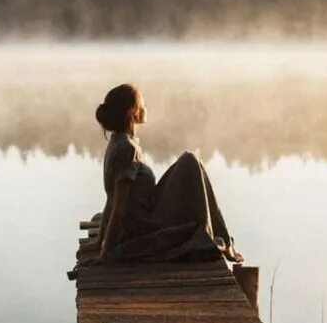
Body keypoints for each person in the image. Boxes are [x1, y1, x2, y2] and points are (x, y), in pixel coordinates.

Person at [81, 83, 243, 265]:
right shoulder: (126, 149)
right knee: (190, 161)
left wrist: (100, 241)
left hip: (143, 216)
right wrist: (105, 253)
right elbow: (117, 205)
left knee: (191, 163)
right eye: (143, 103)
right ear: (133, 112)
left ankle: (222, 237)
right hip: (145, 226)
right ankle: (224, 240)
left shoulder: (117, 142)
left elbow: (111, 200)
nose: (146, 107)